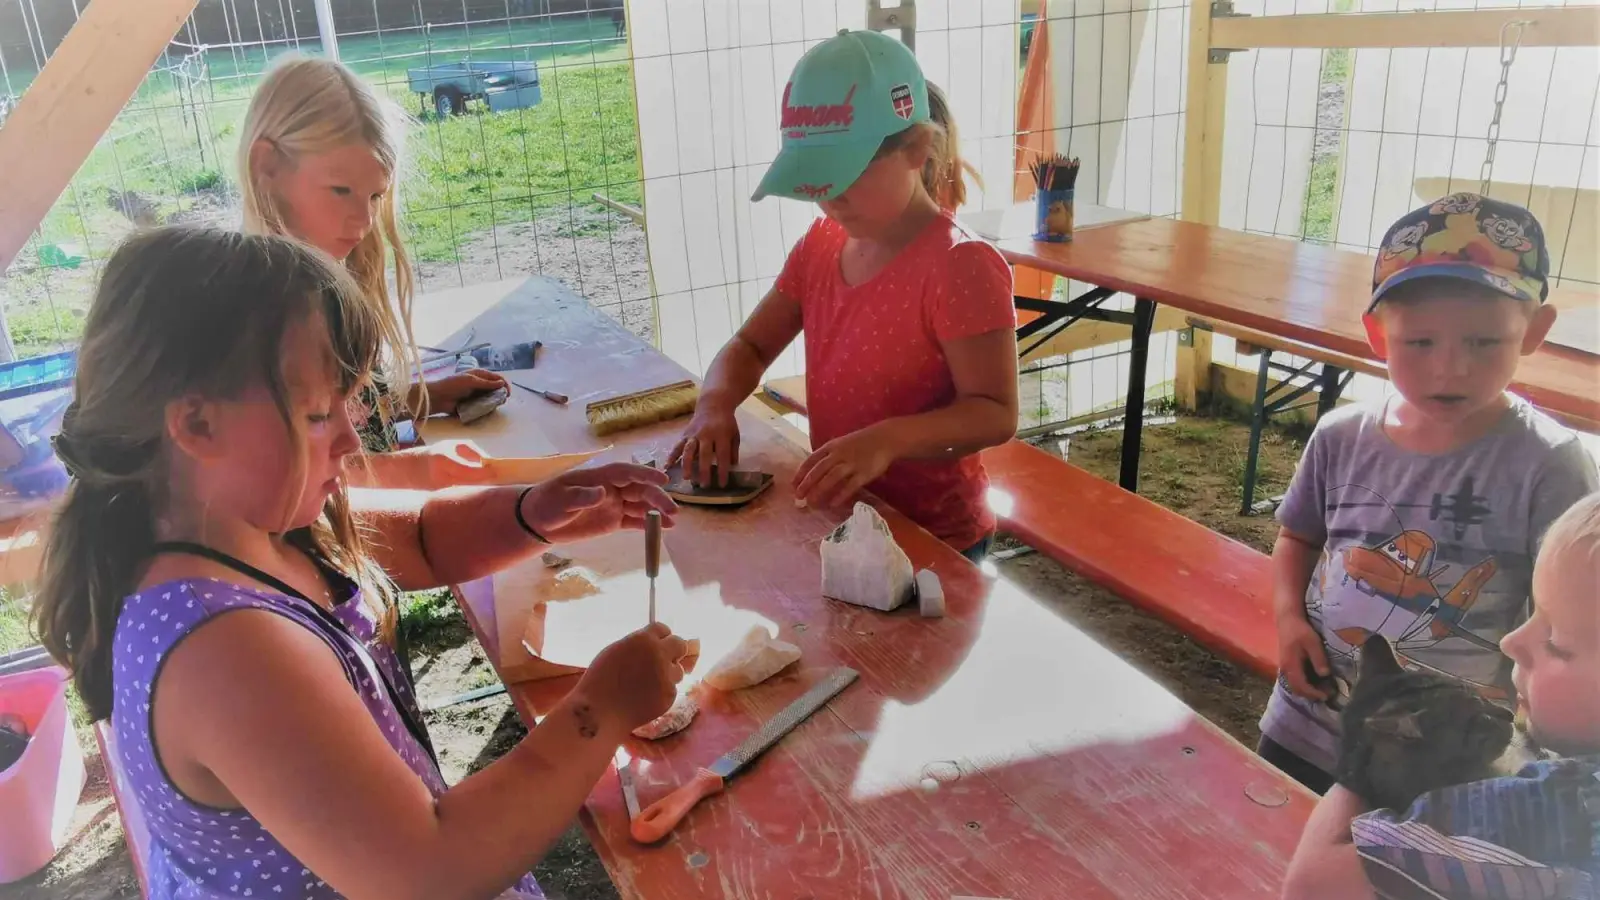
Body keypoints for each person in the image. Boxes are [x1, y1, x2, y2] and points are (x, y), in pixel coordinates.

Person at [33, 226, 690, 899]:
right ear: (197, 426)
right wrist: (601, 708)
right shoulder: (223, 649)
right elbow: (430, 866)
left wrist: (536, 510)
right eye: (319, 414)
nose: (351, 438)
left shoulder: (246, 524)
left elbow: (424, 539)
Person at [1262, 193, 1598, 792]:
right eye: (1420, 343)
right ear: (1376, 333)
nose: (1451, 368)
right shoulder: (1341, 436)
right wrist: (1289, 619)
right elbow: (1298, 535)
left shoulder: (1551, 465)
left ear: (1535, 332)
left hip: (1446, 760)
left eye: (1483, 342)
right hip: (1308, 722)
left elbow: (1574, 613)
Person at [669, 30, 1018, 562]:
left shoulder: (960, 264)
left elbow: (994, 413)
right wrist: (714, 405)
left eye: (842, 177)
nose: (827, 201)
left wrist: (887, 440)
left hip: (935, 536)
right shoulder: (821, 244)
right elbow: (751, 347)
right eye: (814, 182)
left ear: (916, 148)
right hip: (849, 516)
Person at [1282, 491, 1600, 900]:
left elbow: (1311, 884)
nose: (1512, 641)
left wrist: (1363, 760)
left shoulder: (1554, 810)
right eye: (1530, 612)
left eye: (1556, 642)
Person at [239, 55, 509, 490]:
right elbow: (288, 482)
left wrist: (419, 398)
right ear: (267, 167)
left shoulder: (329, 279)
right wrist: (420, 470)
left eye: (375, 196)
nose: (363, 221)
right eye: (340, 190)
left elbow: (351, 413)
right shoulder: (259, 318)